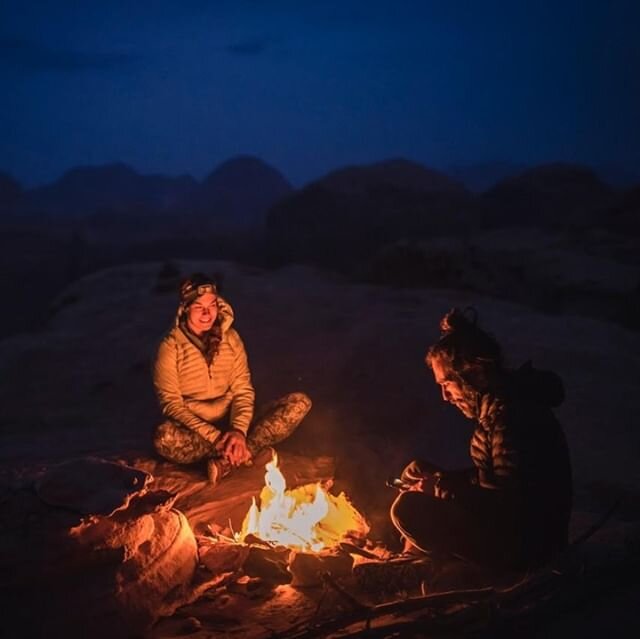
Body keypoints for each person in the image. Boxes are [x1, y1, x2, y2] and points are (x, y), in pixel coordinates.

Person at [390, 308, 572, 574]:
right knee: (415, 500)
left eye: (447, 383)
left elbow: (511, 506)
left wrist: (443, 490)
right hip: (524, 539)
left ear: (473, 373)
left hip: (529, 549)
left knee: (408, 509)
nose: (445, 396)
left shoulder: (512, 418)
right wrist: (442, 477)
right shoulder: (501, 411)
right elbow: (496, 480)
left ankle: (465, 573)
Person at [153, 273, 311, 485]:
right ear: (186, 308)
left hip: (231, 420)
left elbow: (243, 390)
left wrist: (238, 430)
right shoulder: (170, 346)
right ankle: (234, 453)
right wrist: (216, 438)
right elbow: (171, 403)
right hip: (198, 430)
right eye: (199, 306)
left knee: (299, 403)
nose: (207, 313)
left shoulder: (231, 339)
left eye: (212, 305)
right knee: (165, 438)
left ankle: (234, 455)